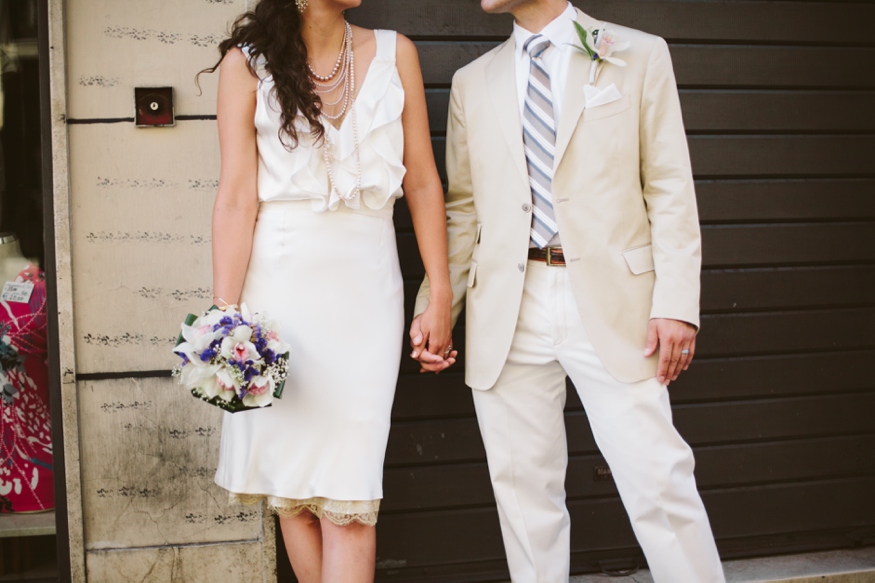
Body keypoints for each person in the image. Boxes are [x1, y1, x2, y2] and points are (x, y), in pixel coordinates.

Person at [410, 0, 725, 581]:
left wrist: (676, 302)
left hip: (615, 304)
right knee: (525, 500)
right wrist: (438, 304)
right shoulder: (471, 82)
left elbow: (670, 187)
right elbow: (462, 210)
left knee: (659, 481)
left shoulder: (638, 53)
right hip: (506, 306)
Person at [200, 0, 454, 580]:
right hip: (279, 291)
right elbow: (237, 197)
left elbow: (421, 180)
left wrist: (439, 292)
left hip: (367, 289)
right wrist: (225, 317)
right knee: (295, 492)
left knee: (350, 496)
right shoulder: (245, 66)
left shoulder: (396, 53)